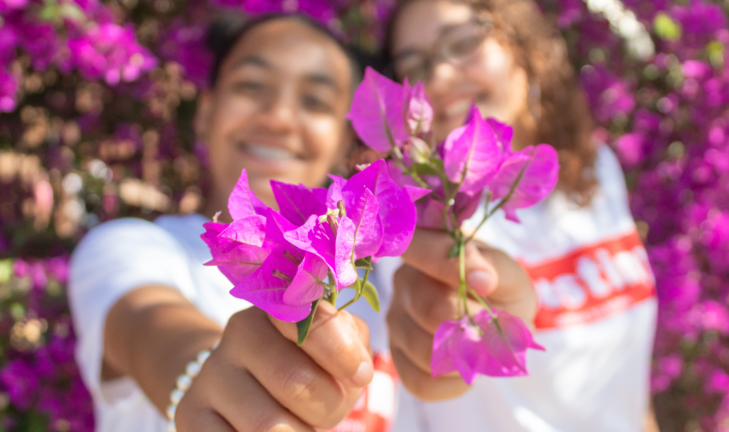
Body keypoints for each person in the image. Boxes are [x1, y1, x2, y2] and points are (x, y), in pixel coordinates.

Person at [68, 10, 537, 432]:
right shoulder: (130, 250)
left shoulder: (389, 280)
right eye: (252, 87)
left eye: (314, 101)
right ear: (206, 112)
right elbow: (151, 328)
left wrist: (461, 329)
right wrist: (202, 379)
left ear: (350, 145)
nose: (279, 117)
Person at [380, 1, 659, 431]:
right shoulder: (420, 225)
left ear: (524, 47)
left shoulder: (595, 166)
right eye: (413, 64)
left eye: (462, 42)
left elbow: (626, 386)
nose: (439, 76)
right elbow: (415, 352)